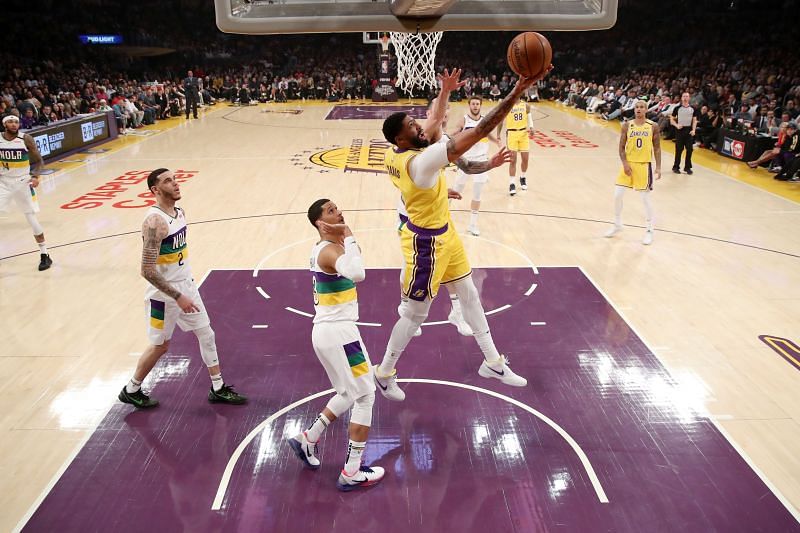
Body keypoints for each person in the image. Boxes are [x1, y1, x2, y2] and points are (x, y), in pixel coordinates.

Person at [376, 66, 551, 401]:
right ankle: (385, 372)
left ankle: (493, 362)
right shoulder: (421, 162)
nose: (422, 126)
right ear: (402, 138)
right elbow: (480, 130)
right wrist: (516, 92)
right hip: (424, 243)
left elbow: (434, 123)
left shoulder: (396, 150)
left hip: (445, 233)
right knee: (414, 315)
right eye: (414, 127)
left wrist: (444, 92)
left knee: (469, 294)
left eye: (418, 122)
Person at [119, 168, 246, 408]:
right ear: (155, 190)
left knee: (206, 334)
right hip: (163, 296)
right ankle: (131, 388)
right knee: (161, 345)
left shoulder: (179, 213)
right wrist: (177, 297)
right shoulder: (154, 222)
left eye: (175, 179)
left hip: (186, 286)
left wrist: (184, 292)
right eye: (168, 181)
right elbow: (147, 270)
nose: (176, 184)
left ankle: (217, 387)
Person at [287, 199, 384, 491]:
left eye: (337, 208)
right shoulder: (329, 250)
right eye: (331, 211)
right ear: (320, 223)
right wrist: (350, 232)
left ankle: (309, 438)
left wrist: (346, 235)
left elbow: (355, 262)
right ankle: (352, 471)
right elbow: (358, 273)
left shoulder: (328, 247)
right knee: (365, 396)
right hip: (340, 334)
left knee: (347, 392)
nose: (339, 212)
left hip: (328, 333)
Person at [604, 100, 662, 245]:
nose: (638, 109)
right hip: (628, 165)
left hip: (643, 165)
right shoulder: (627, 125)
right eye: (636, 107)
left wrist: (659, 167)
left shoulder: (653, 126)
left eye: (642, 107)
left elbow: (657, 148)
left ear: (646, 110)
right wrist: (625, 163)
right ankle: (617, 224)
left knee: (645, 199)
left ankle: (649, 230)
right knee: (617, 195)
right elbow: (621, 147)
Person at [0, 115, 52, 270]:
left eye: (16, 122)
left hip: (23, 182)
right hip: (3, 182)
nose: (14, 124)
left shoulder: (26, 138)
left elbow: (39, 161)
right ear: (4, 124)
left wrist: (36, 176)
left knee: (31, 217)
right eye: (10, 122)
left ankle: (45, 254)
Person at [451, 96, 501, 236]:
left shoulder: (484, 120)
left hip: (481, 161)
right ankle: (444, 215)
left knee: (477, 193)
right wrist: (449, 137)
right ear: (469, 105)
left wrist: (496, 141)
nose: (475, 106)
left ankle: (472, 225)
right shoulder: (464, 119)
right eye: (473, 104)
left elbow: (488, 133)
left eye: (477, 104)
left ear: (480, 105)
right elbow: (455, 132)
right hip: (465, 160)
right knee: (456, 190)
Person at [496, 91, 534, 195]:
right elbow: (500, 121)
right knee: (513, 160)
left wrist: (532, 128)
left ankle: (522, 177)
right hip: (512, 134)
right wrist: (498, 135)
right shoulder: (507, 106)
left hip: (523, 134)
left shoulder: (526, 105)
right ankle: (512, 183)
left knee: (525, 159)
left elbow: (529, 118)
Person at [670, 91, 699, 174]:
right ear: (682, 98)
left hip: (689, 130)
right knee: (679, 149)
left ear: (689, 98)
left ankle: (687, 167)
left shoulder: (693, 109)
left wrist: (693, 130)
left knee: (690, 149)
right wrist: (676, 125)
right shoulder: (677, 108)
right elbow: (671, 120)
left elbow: (694, 120)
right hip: (680, 130)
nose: (685, 98)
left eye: (687, 96)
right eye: (684, 96)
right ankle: (676, 167)